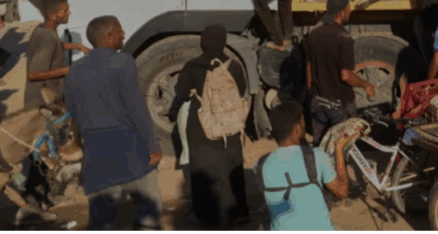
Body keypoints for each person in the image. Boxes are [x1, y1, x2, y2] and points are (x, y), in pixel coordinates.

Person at [65, 16, 162, 230]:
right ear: (108, 37)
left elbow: (72, 111)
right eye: (120, 31)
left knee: (101, 218)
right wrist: (152, 145)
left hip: (95, 152)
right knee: (149, 207)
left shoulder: (75, 69)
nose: (124, 34)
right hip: (129, 147)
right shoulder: (123, 62)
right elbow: (136, 108)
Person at [170, 24, 248, 227]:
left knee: (203, 169)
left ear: (202, 43)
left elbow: (181, 92)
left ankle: (207, 215)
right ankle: (238, 212)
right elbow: (241, 90)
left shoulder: (192, 66)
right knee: (232, 166)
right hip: (229, 122)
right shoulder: (234, 66)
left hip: (201, 123)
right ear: (224, 42)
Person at [258, 101, 351, 231]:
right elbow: (342, 191)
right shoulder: (316, 156)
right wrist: (340, 149)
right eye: (303, 123)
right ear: (297, 129)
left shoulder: (262, 164)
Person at [305, 0, 376, 144]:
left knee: (320, 145)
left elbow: (309, 68)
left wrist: (312, 94)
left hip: (317, 101)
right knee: (342, 146)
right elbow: (345, 75)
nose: (350, 12)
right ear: (340, 13)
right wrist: (366, 84)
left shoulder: (313, 35)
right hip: (339, 104)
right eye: (348, 9)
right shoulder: (344, 37)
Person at [26, 0, 88, 110]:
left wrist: (78, 46)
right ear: (52, 16)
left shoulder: (44, 28)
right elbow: (32, 74)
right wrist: (69, 69)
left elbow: (55, 46)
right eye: (65, 11)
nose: (69, 13)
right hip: (44, 103)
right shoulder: (47, 38)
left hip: (48, 97)